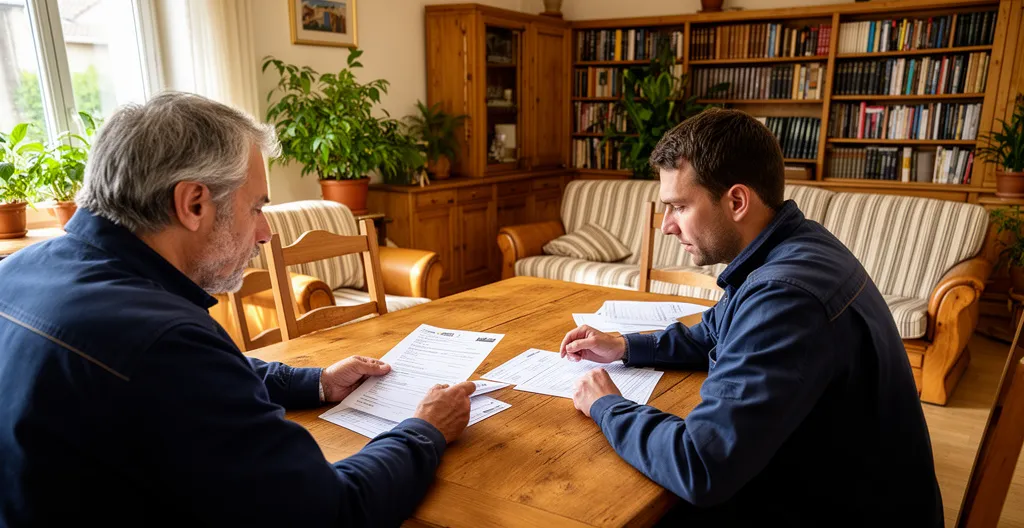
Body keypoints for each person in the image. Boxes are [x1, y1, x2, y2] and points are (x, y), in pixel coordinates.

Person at [0, 92, 475, 526]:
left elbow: (193, 377)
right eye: (256, 208)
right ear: (193, 203)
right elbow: (333, 512)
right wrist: (425, 430)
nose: (265, 233)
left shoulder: (16, 271)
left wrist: (317, 382)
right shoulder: (165, 342)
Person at [560, 109, 943, 525]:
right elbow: (712, 333)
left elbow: (701, 464)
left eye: (679, 206)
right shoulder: (792, 245)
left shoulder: (785, 295)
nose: (667, 226)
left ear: (737, 202)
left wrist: (607, 405)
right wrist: (623, 345)